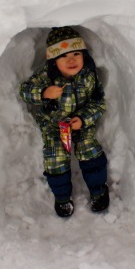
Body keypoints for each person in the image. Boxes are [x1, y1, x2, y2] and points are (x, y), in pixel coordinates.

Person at [19, 26, 109, 217]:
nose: (71, 60)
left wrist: (83, 119)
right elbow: (25, 91)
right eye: (63, 56)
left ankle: (98, 190)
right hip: (54, 125)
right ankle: (62, 198)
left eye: (77, 53)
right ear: (53, 60)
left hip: (80, 123)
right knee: (55, 157)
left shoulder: (88, 76)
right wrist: (43, 93)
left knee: (89, 149)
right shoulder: (46, 75)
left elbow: (98, 102)